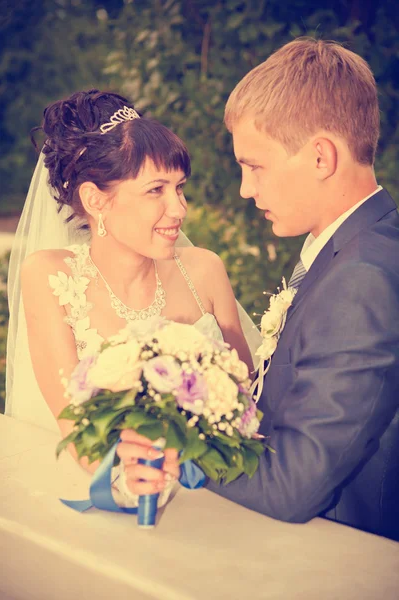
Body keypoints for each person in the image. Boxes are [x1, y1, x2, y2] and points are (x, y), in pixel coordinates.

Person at [120, 38, 399, 541]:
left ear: (320, 157)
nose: (246, 189)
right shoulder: (358, 246)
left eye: (255, 166)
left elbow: (295, 485)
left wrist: (178, 444)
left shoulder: (362, 277)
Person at [5, 90, 261, 497]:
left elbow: (248, 399)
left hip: (223, 491)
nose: (179, 209)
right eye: (155, 190)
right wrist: (130, 476)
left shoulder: (206, 269)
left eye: (180, 188)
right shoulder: (49, 277)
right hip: (119, 491)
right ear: (95, 199)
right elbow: (76, 426)